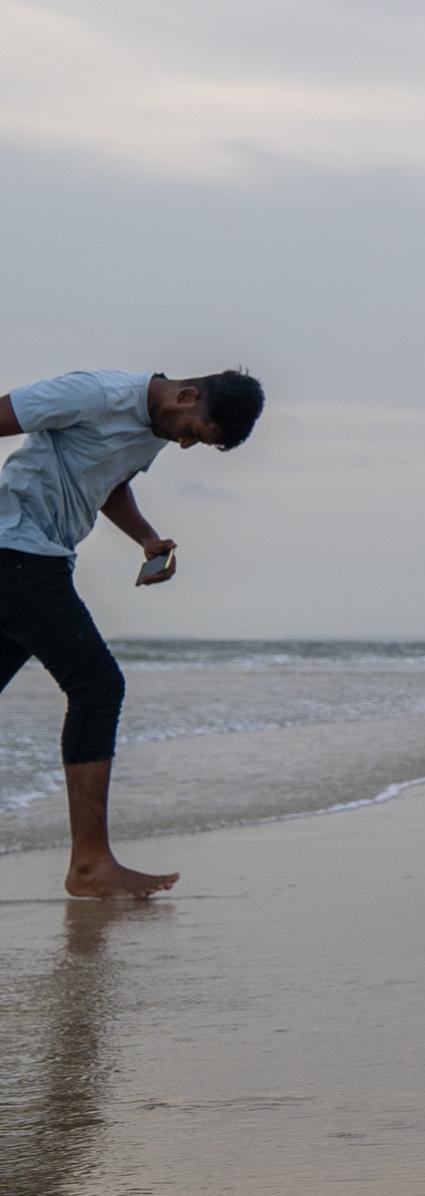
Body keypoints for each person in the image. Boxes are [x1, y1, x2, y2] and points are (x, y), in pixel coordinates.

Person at [1, 369, 265, 898]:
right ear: (187, 396)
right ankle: (90, 865)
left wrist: (145, 539)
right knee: (98, 688)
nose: (186, 442)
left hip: (33, 556)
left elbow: (109, 480)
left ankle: (91, 865)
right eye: (192, 430)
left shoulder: (155, 426)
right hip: (17, 551)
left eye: (198, 440)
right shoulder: (93, 393)